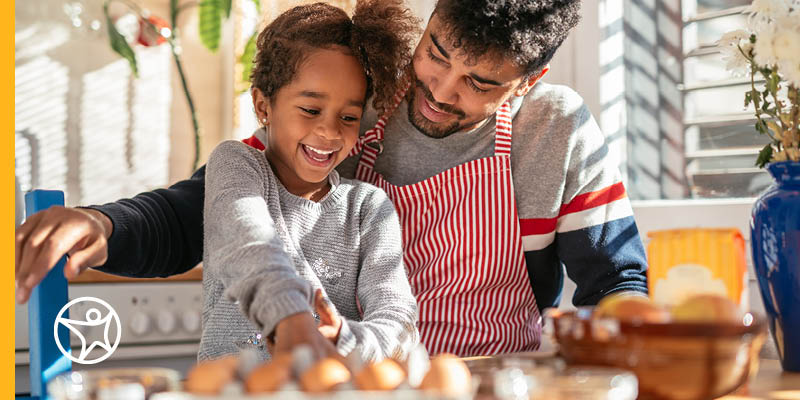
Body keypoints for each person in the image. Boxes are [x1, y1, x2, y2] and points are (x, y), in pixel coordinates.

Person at [16, 0, 649, 357]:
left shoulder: (555, 129)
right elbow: (214, 207)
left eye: (479, 83)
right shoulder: (354, 101)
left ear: (527, 81)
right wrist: (105, 225)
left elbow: (617, 280)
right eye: (436, 53)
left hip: (493, 381)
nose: (438, 92)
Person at [198, 1, 419, 362]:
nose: (330, 131)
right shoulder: (236, 164)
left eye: (349, 116)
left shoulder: (368, 208)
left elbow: (398, 321)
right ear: (263, 106)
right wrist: (290, 318)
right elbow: (249, 243)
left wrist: (344, 339)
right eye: (311, 110)